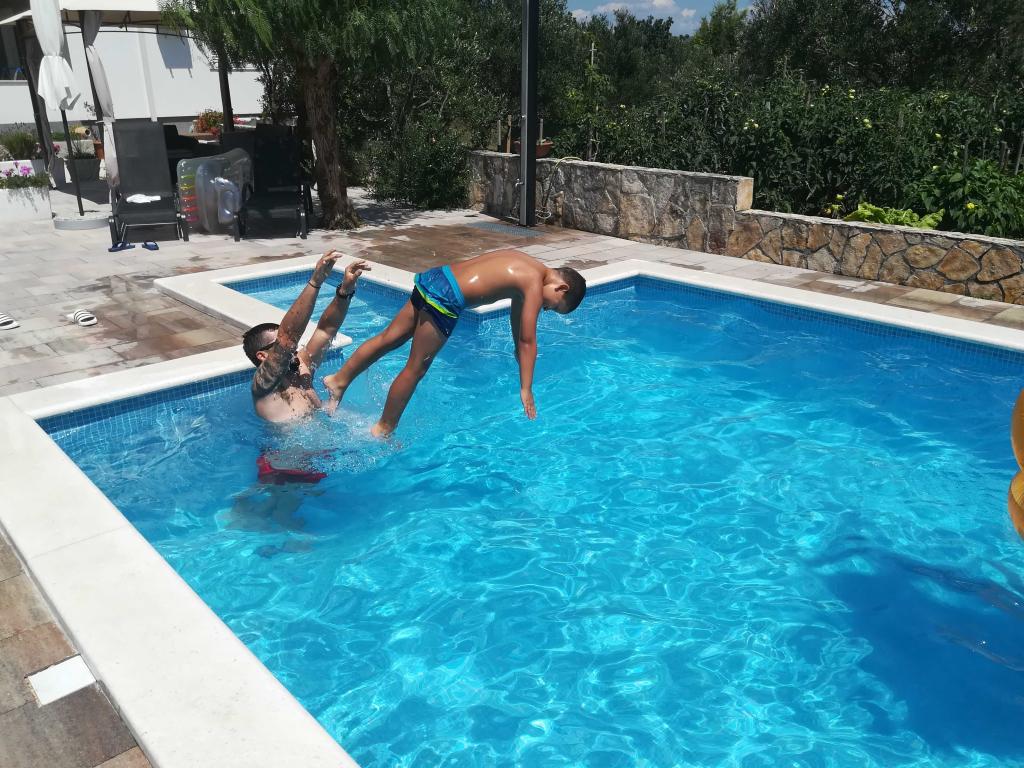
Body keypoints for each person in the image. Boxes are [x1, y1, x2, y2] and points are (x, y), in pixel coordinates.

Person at [322, 249, 586, 437]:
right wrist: (526, 388)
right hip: (447, 298)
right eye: (553, 307)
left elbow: (519, 326)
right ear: (561, 288)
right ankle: (383, 429)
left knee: (389, 338)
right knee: (416, 368)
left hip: (437, 278)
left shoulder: (528, 266)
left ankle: (338, 381)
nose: (545, 309)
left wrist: (518, 350)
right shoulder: (534, 282)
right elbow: (528, 340)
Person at [242, 251, 369, 424]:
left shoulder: (302, 367)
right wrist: (315, 282)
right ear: (262, 355)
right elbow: (288, 337)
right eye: (277, 342)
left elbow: (326, 331)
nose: (292, 346)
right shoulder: (263, 386)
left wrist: (344, 292)